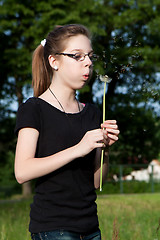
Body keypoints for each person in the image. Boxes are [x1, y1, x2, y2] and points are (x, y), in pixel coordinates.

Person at [14, 24, 119, 240]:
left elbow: (97, 182)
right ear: (54, 62)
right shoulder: (34, 108)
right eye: (77, 56)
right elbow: (22, 171)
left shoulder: (92, 112)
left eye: (90, 56)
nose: (88, 62)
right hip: (53, 228)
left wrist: (105, 150)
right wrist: (79, 148)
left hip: (90, 228)